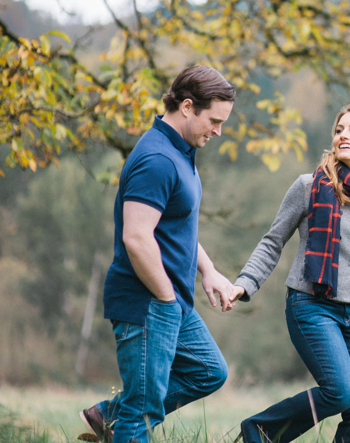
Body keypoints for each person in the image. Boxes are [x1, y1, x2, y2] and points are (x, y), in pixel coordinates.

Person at [231, 104, 350, 443]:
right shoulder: (309, 186)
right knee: (340, 392)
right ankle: (258, 432)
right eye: (339, 130)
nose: (343, 135)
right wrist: (244, 284)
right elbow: (273, 241)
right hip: (311, 305)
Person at [79, 65, 238, 443]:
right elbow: (136, 237)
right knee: (142, 414)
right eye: (213, 121)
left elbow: (174, 225)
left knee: (209, 371)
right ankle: (123, 418)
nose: (218, 131)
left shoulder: (179, 152)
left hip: (170, 301)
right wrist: (166, 298)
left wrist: (208, 270)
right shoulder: (158, 159)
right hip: (148, 301)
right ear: (187, 106)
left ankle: (110, 415)